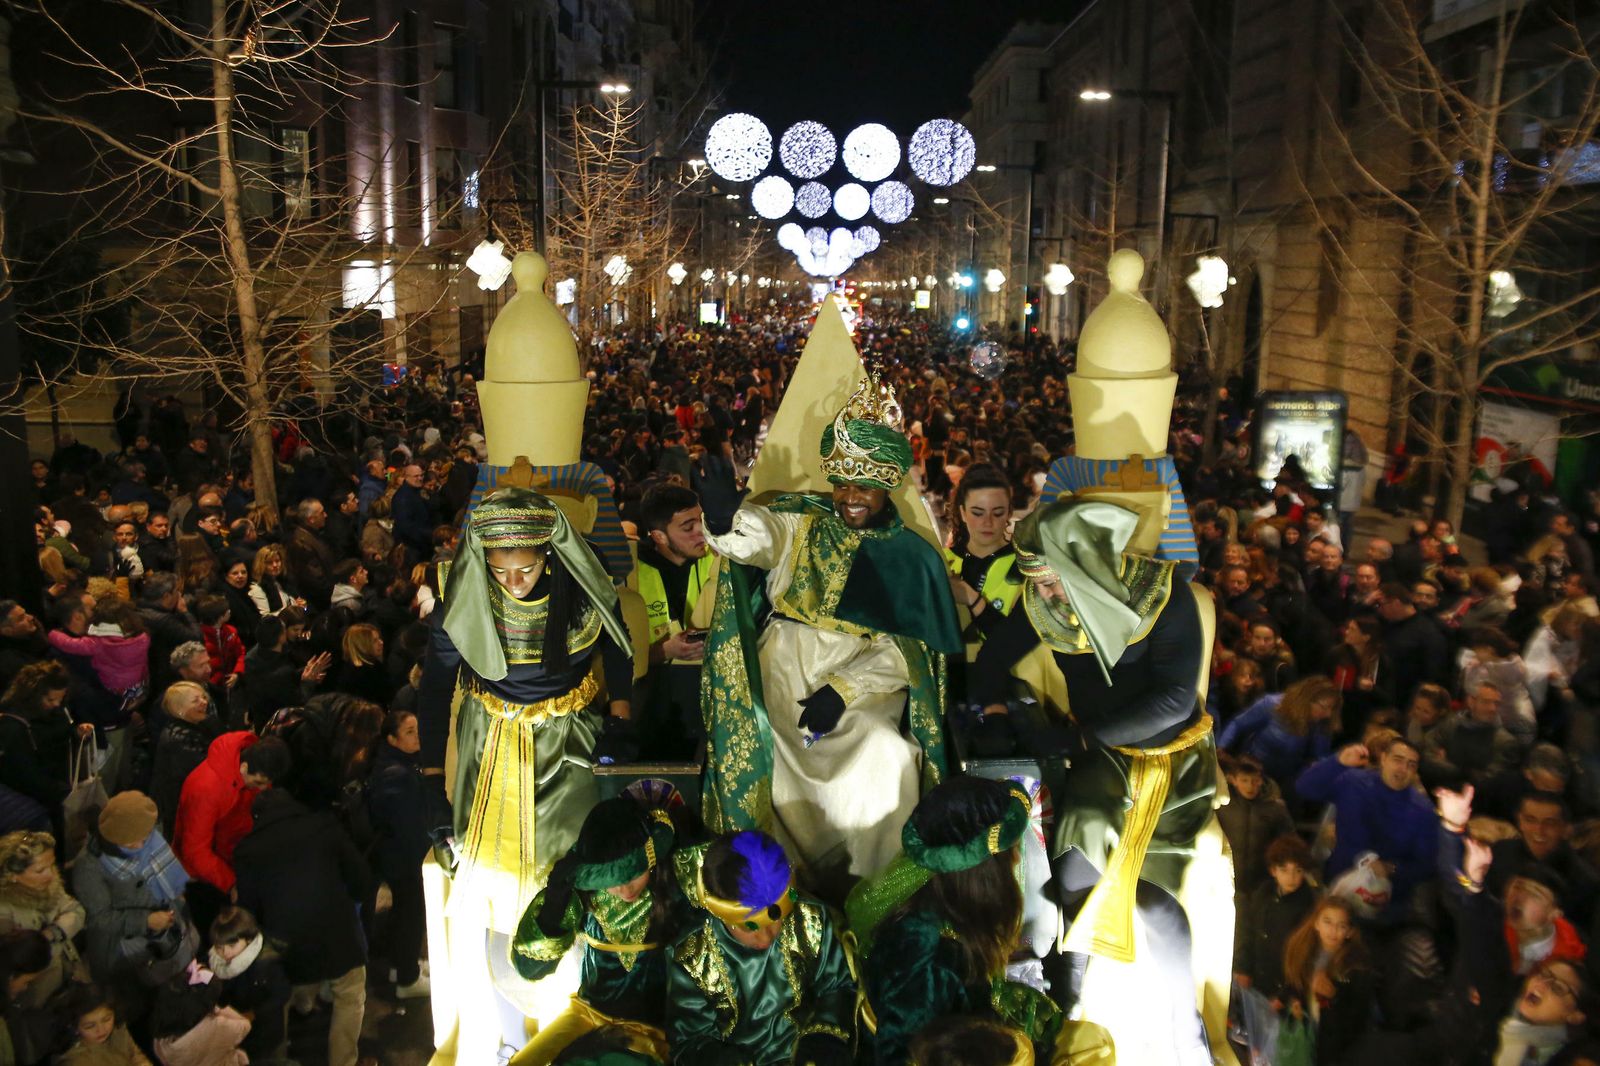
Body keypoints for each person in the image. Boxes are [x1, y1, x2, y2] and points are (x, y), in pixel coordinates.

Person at [970, 497, 1216, 1063]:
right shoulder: (1045, 599)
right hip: (1102, 757)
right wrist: (994, 712)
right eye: (1038, 584)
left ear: (1085, 563)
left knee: (1154, 897)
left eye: (1051, 582)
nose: (1045, 595)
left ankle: (1186, 1027)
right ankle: (1071, 995)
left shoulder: (1165, 595)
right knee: (1076, 856)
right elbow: (992, 660)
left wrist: (1079, 740)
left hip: (1172, 762)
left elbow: (1175, 701)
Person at [700, 377, 961, 894]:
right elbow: (759, 538)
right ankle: (778, 889)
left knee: (886, 753)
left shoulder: (912, 557)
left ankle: (878, 893)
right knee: (766, 742)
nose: (850, 498)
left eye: (863, 487)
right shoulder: (801, 521)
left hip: (866, 679)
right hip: (783, 665)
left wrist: (842, 690)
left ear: (887, 487)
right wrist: (724, 517)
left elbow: (909, 653)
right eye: (842, 485)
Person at [416, 486, 634, 939]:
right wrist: (432, 781)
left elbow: (618, 645)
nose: (514, 583)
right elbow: (435, 688)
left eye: (526, 569)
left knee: (573, 850)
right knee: (492, 861)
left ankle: (576, 944)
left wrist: (619, 718)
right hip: (491, 741)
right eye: (499, 571)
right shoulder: (462, 598)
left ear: (548, 555)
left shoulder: (583, 582)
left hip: (569, 734)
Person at [849, 778, 1067, 1065]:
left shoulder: (943, 910)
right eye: (1011, 852)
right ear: (985, 873)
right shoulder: (927, 957)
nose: (1016, 860)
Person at [508, 797, 686, 1065]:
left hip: (653, 1028)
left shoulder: (674, 883)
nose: (625, 890)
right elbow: (529, 969)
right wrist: (554, 905)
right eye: (612, 882)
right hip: (587, 1017)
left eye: (633, 876)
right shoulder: (582, 896)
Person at [665, 830, 855, 1064]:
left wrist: (821, 1039)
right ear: (721, 914)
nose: (765, 939)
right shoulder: (693, 957)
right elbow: (689, 1039)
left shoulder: (811, 918)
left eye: (776, 921)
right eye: (749, 928)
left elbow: (837, 985)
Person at [233, 781, 374, 1066]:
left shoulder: (246, 851)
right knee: (349, 996)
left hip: (283, 944)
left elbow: (249, 909)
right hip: (336, 933)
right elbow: (361, 879)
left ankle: (279, 1057)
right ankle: (344, 1061)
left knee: (278, 1003)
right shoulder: (325, 826)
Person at [70, 792, 192, 1012]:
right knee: (135, 1003)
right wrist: (146, 921)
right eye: (131, 843)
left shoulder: (148, 835)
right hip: (124, 954)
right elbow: (99, 919)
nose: (140, 845)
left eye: (145, 838)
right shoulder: (89, 867)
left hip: (164, 936)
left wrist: (176, 898)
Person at [1295, 737, 1437, 921]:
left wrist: (1391, 868)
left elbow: (1427, 865)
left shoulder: (1423, 810)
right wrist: (1337, 762)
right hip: (1338, 893)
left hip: (1384, 905)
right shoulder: (1353, 782)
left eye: (1411, 765)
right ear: (1383, 759)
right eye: (1398, 760)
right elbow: (1304, 787)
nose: (1403, 769)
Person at [365, 710, 447, 1001]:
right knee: (410, 915)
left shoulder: (400, 765)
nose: (417, 736)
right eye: (409, 731)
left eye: (417, 728)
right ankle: (407, 978)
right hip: (403, 861)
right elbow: (407, 827)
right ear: (392, 738)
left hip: (398, 858)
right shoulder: (396, 775)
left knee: (405, 913)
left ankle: (401, 966)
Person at [172, 734, 288, 935]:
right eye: (258, 782)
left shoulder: (254, 764)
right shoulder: (205, 788)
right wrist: (231, 883)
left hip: (231, 859)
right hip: (204, 877)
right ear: (243, 767)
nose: (262, 789)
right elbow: (196, 851)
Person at [633, 485, 713, 761]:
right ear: (659, 536)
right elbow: (615, 659)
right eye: (688, 527)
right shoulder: (632, 573)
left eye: (702, 521)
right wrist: (664, 651)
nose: (701, 532)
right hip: (653, 703)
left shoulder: (716, 558)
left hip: (710, 691)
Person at [0, 831, 85, 1062]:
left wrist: (50, 935)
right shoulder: (3, 912)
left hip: (67, 973)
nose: (50, 875)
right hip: (34, 996)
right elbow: (15, 961)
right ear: (13, 876)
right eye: (40, 870)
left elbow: (76, 911)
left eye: (51, 865)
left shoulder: (49, 886)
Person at [1280, 896, 1374, 1066]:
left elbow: (1358, 1018)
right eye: (1327, 922)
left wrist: (1334, 996)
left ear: (1349, 932)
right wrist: (1294, 1001)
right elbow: (1294, 983)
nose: (1333, 930)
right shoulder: (1303, 951)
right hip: (1305, 1035)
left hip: (1335, 1048)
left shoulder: (1356, 966)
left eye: (1341, 926)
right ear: (1316, 923)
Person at [1218, 676, 1341, 799]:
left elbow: (1319, 755)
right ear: (1307, 700)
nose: (1328, 714)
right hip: (1253, 770)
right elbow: (1238, 724)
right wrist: (1221, 748)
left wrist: (1316, 768)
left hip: (1287, 779)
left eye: (1332, 708)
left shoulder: (1322, 723)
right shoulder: (1272, 705)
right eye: (1324, 707)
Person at [942, 464, 1023, 646]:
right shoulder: (942, 561)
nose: (988, 522)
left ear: (1009, 513)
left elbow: (1018, 645)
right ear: (963, 513)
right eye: (978, 513)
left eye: (998, 513)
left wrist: (971, 598)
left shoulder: (1026, 567)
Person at [1233, 834, 1316, 999]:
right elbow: (1248, 931)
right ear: (1273, 871)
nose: (1291, 877)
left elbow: (1304, 955)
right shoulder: (1263, 893)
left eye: (1298, 870)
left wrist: (1286, 996)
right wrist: (1243, 967)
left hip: (1283, 988)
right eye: (1284, 870)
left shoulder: (1308, 905)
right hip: (1254, 979)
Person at [206, 908, 289, 1066]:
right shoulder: (216, 961)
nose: (225, 953)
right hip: (237, 1029)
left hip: (263, 1031)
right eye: (219, 947)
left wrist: (253, 1014)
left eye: (232, 945)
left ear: (249, 940)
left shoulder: (267, 962)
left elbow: (282, 994)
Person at [149, 683, 223, 837]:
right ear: (179, 710)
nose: (204, 702)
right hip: (181, 808)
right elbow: (206, 769)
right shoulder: (178, 738)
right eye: (195, 700)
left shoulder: (201, 724)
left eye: (203, 697)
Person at [1216, 754, 1295, 894]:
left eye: (1255, 780)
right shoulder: (1222, 805)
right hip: (1226, 877)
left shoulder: (1275, 808)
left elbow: (1287, 842)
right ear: (1233, 780)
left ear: (1261, 780)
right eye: (1244, 780)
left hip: (1263, 881)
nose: (1250, 786)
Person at [59, 984, 153, 1066]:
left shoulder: (120, 1031)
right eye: (90, 1026)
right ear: (75, 1028)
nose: (101, 1030)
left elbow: (137, 1054)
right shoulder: (76, 1061)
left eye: (106, 1019)